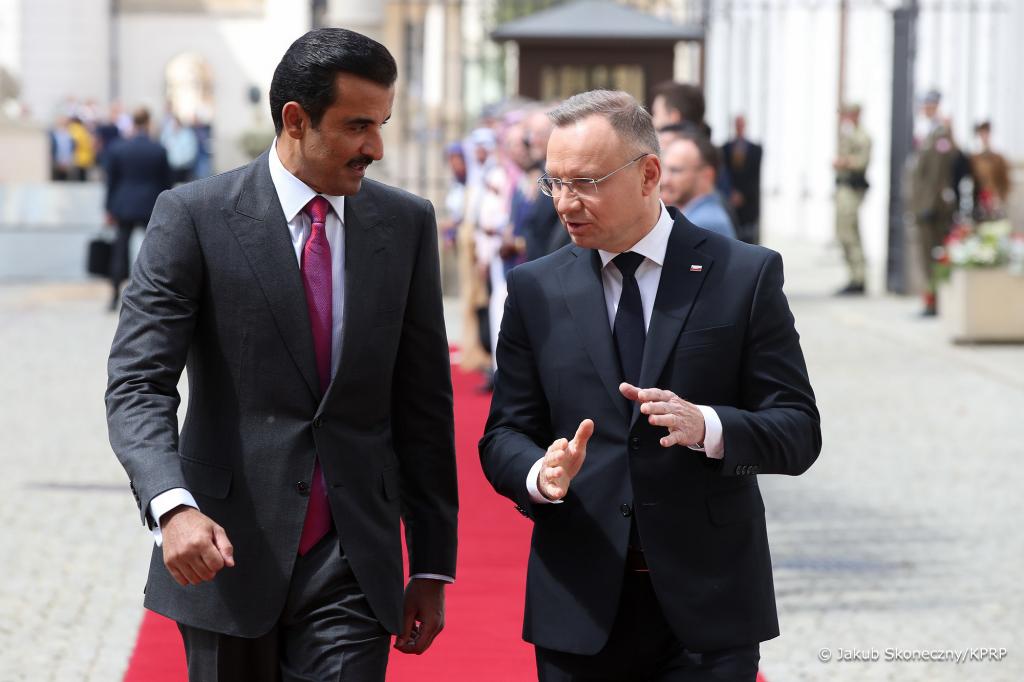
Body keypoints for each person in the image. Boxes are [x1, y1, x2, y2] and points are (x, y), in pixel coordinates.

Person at [106, 28, 458, 681]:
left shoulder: (406, 224)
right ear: (296, 120)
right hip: (222, 552)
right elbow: (138, 382)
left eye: (381, 125)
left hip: (353, 561)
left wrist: (433, 563)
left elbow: (424, 404)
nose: (376, 148)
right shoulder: (193, 216)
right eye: (357, 126)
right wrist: (173, 506)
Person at [479, 90, 820, 681]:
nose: (564, 202)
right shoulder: (535, 288)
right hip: (580, 605)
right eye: (554, 183)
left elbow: (797, 430)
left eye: (585, 182)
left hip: (710, 609)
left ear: (649, 175)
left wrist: (708, 425)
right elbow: (504, 432)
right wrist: (540, 473)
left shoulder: (743, 274)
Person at [104, 106, 173, 311]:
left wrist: (108, 208)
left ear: (133, 122)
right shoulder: (158, 149)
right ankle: (155, 293)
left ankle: (114, 294)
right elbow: (166, 182)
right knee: (154, 250)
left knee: (120, 250)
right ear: (148, 122)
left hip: (123, 204)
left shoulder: (119, 148)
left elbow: (111, 182)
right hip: (151, 204)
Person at [910, 91, 958, 316]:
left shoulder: (941, 133)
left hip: (933, 207)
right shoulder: (928, 131)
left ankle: (934, 301)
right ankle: (930, 299)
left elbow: (938, 175)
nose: (926, 109)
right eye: (925, 105)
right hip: (923, 204)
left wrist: (928, 205)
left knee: (932, 254)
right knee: (925, 255)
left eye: (930, 105)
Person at [660, 132, 737, 239]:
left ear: (707, 175)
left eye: (676, 171)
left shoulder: (704, 223)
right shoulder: (696, 217)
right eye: (665, 169)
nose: (665, 180)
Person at [832, 103, 872, 296]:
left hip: (852, 189)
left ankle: (858, 278)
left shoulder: (862, 136)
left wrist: (844, 162)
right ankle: (854, 276)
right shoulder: (848, 133)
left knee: (849, 234)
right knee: (843, 233)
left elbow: (862, 162)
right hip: (843, 188)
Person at [722, 114, 762, 244]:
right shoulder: (726, 148)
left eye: (741, 124)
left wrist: (743, 194)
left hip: (748, 201)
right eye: (737, 124)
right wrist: (730, 192)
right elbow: (724, 173)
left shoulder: (755, 149)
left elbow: (755, 176)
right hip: (730, 200)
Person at [970, 121, 1011, 222]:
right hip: (980, 200)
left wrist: (1000, 198)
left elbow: (1005, 182)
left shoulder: (998, 158)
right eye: (982, 134)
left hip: (995, 199)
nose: (984, 137)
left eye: (986, 133)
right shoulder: (975, 158)